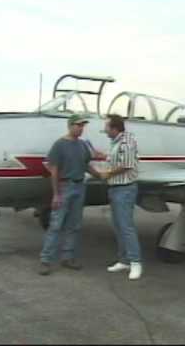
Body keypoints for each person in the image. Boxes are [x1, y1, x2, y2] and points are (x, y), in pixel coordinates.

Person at [39, 114, 102, 275]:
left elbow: (86, 165)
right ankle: (45, 260)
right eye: (78, 125)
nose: (81, 128)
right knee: (56, 225)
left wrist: (100, 175)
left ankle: (67, 257)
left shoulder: (82, 145)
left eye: (83, 126)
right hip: (64, 187)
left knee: (74, 225)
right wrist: (56, 194)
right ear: (70, 126)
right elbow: (54, 171)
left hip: (80, 187)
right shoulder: (59, 145)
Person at [101, 114, 142, 280]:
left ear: (114, 128)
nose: (104, 130)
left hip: (124, 189)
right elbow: (116, 159)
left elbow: (126, 165)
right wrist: (102, 156)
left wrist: (107, 173)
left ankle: (136, 262)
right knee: (118, 226)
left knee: (126, 227)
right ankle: (124, 260)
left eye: (106, 127)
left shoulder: (127, 142)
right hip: (115, 188)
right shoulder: (116, 142)